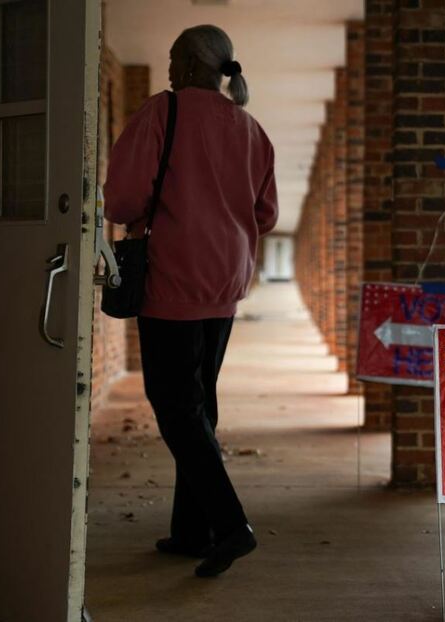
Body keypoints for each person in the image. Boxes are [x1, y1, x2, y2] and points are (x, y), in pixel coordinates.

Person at [104, 24, 277, 577]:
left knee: (176, 407)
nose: (171, 66)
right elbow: (266, 213)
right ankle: (192, 530)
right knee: (199, 401)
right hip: (225, 283)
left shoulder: (164, 112)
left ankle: (230, 526)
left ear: (198, 64)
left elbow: (124, 198)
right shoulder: (251, 130)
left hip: (174, 280)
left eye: (177, 57)